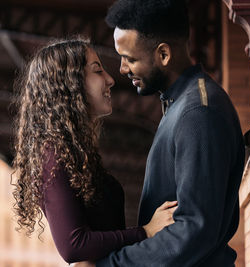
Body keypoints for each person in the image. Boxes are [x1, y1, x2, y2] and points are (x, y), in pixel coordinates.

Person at [75, 0, 245, 266]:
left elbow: (194, 230)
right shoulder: (181, 106)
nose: (121, 69)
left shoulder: (198, 114)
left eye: (130, 58)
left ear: (163, 55)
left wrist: (110, 265)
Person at [11, 38, 177, 264]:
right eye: (97, 71)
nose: (110, 79)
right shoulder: (52, 155)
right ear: (70, 83)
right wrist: (146, 231)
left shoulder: (76, 154)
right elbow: (73, 246)